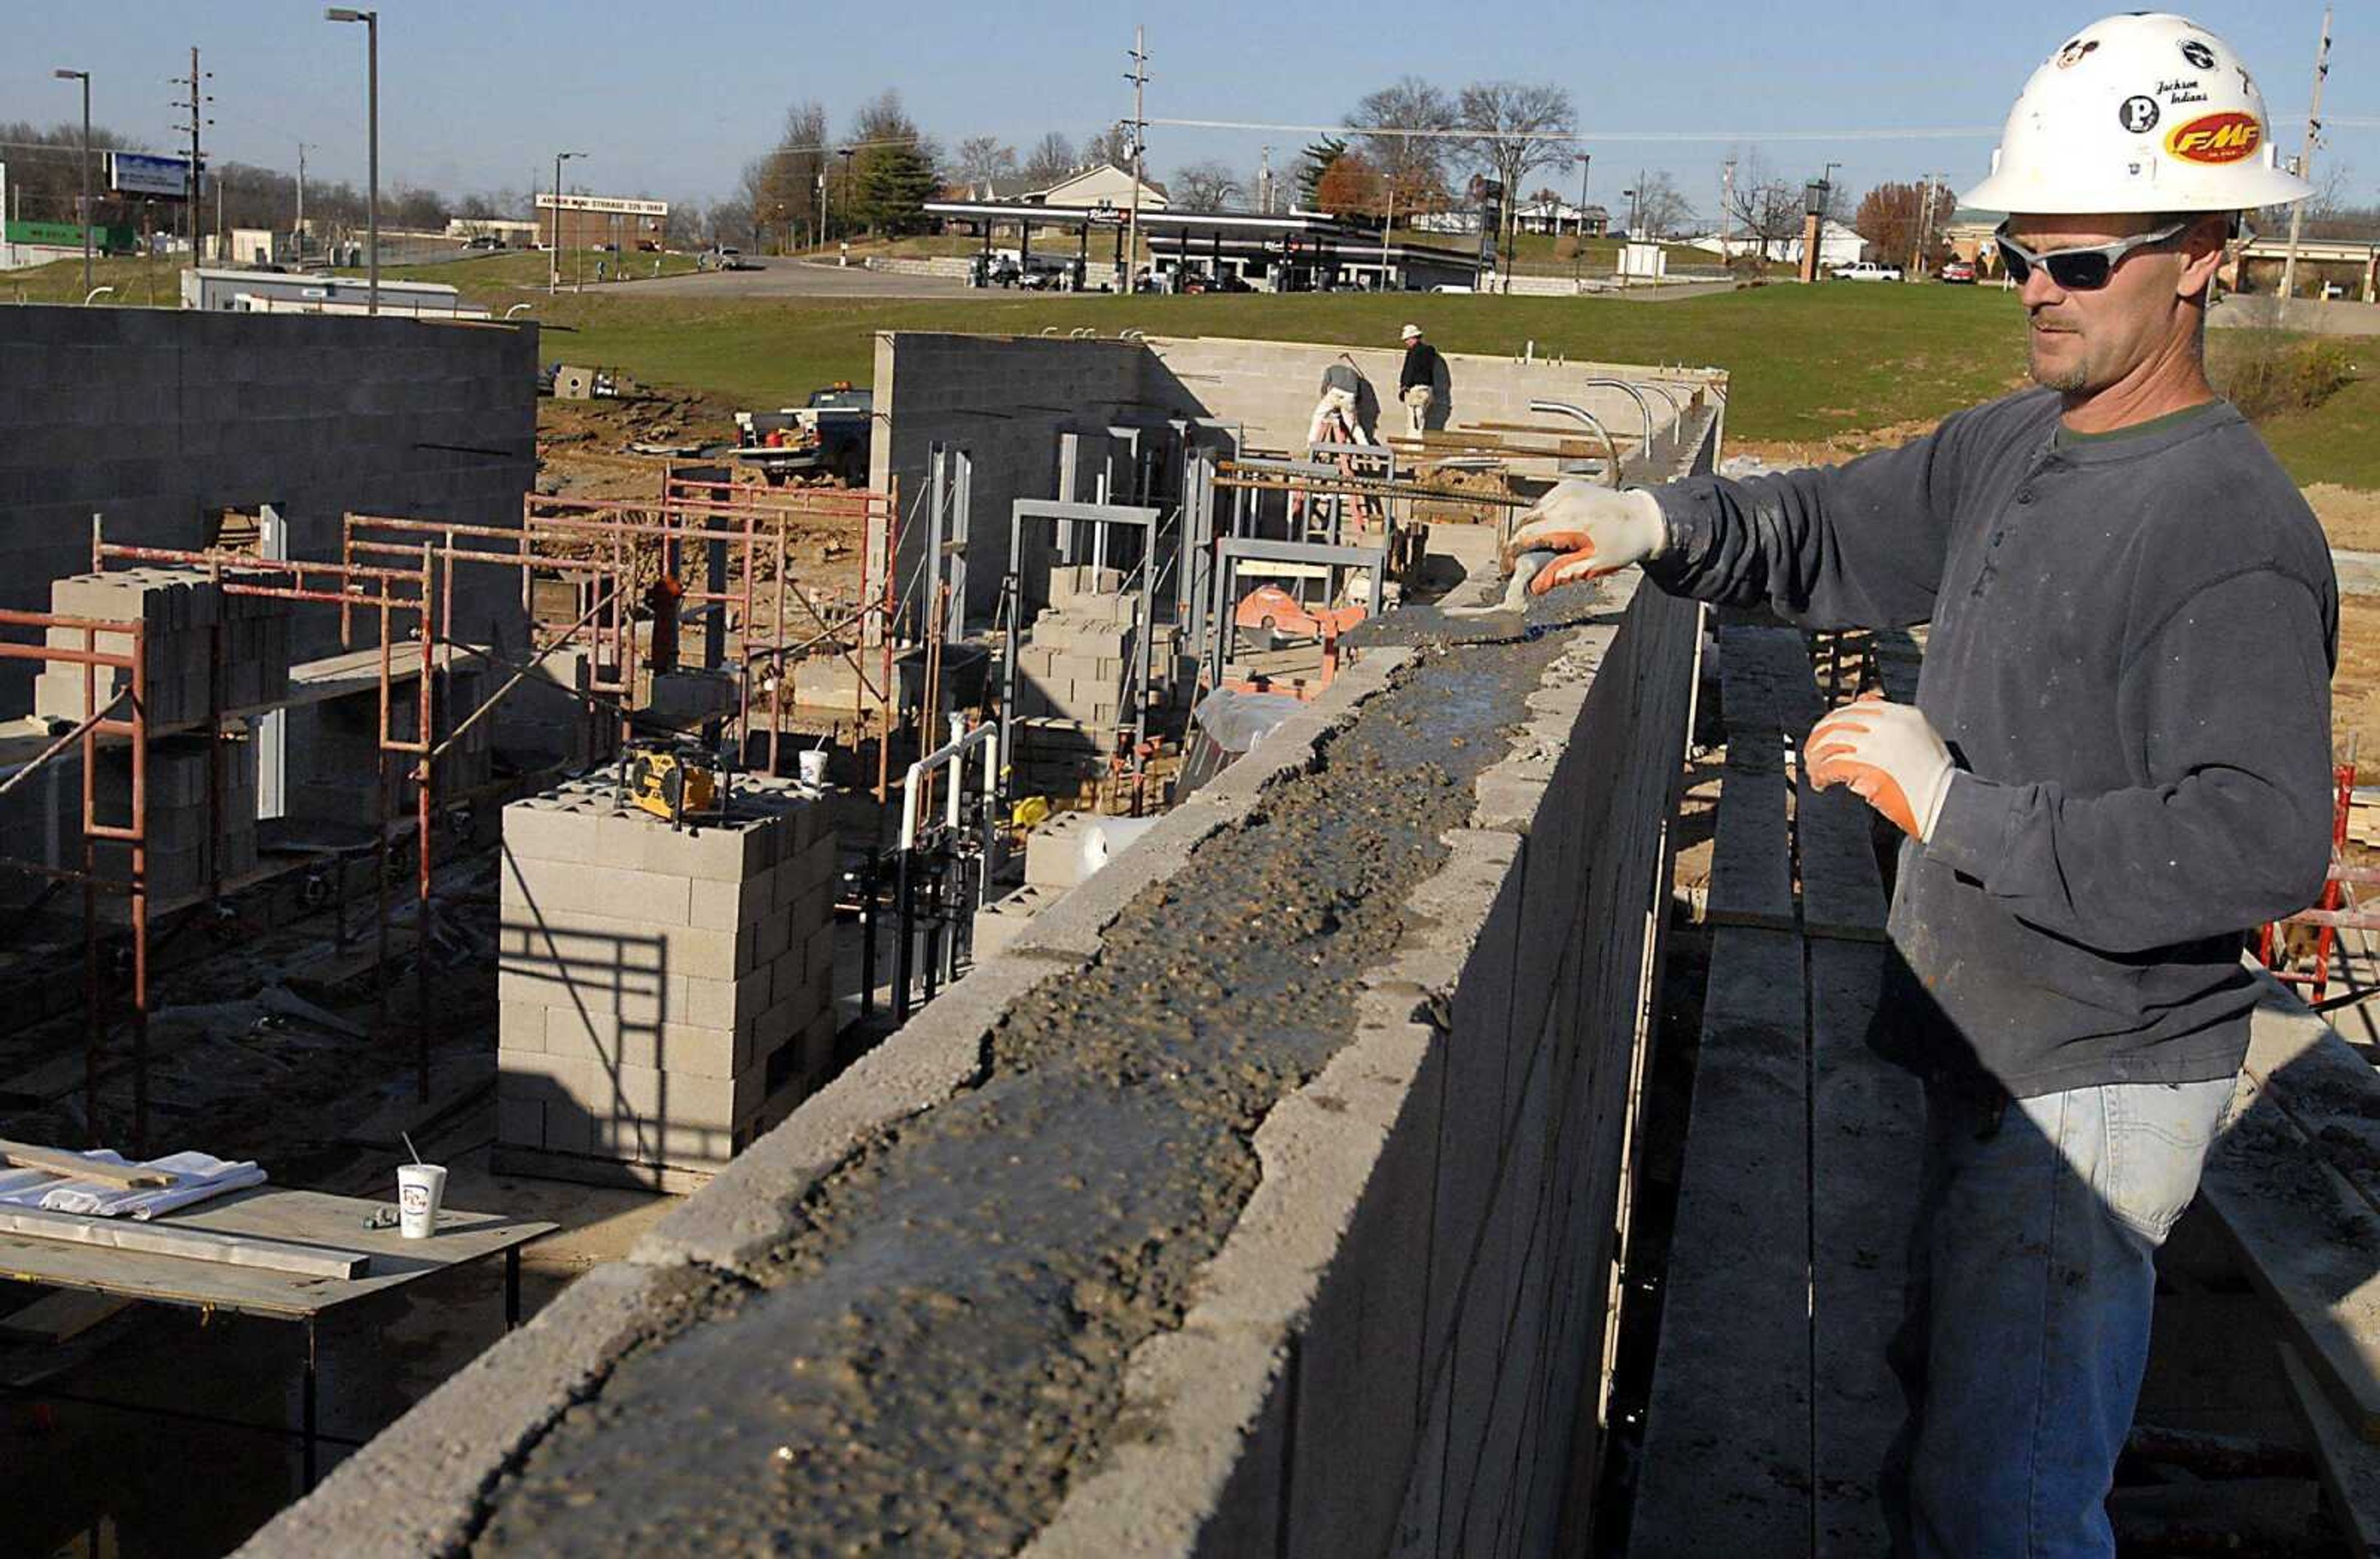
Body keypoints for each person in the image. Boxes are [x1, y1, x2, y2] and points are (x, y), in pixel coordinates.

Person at [1509, 15, 2334, 1555]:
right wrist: (1651, 519)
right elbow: (1830, 526)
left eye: (2080, 260)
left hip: (2087, 1084)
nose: (2034, 285)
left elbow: (2259, 836)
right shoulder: (2022, 444)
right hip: (1971, 1034)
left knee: (2007, 1502)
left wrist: (1952, 806)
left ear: (2201, 252)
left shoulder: (2229, 526)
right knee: (1937, 1448)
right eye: (2019, 250)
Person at [1398, 324, 1443, 435]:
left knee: (1414, 424)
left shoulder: (1414, 352)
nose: (1406, 343)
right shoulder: (1430, 351)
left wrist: (1404, 387)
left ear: (1413, 338)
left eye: (1407, 340)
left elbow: (1410, 370)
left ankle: (1413, 449)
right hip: (1427, 389)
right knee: (1420, 419)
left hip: (1415, 391)